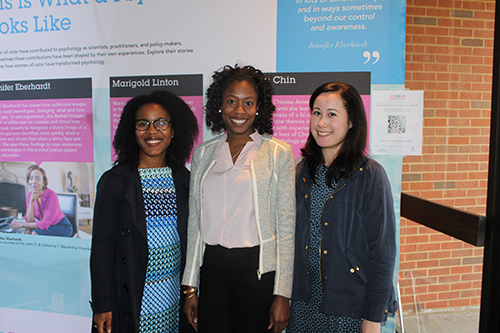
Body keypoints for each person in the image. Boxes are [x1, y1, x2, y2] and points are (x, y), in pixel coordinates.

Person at [182, 64, 295, 333]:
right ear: (219, 106)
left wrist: (282, 294)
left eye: (248, 103)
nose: (239, 110)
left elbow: (286, 228)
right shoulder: (203, 153)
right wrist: (190, 286)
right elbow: (195, 223)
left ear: (259, 108)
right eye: (231, 101)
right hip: (211, 270)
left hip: (256, 271)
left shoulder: (278, 153)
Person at [288, 82, 397, 333]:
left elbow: (383, 252)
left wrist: (373, 318)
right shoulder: (301, 171)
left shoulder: (370, 175)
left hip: (349, 305)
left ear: (351, 122)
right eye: (316, 113)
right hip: (303, 302)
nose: (321, 123)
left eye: (332, 115)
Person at [90, 90, 199, 333]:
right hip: (132, 298)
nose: (152, 131)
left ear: (174, 130)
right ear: (132, 130)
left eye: (161, 123)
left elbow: (192, 242)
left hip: (172, 297)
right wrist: (102, 305)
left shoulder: (184, 178)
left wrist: (192, 291)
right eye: (143, 123)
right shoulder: (115, 181)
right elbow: (102, 248)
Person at [10, 164, 73, 237]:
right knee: (27, 231)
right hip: (48, 227)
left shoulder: (52, 195)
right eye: (31, 178)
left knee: (34, 233)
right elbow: (30, 221)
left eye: (38, 179)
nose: (34, 182)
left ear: (43, 181)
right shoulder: (30, 195)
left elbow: (44, 224)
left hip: (62, 227)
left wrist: (21, 225)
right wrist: (31, 201)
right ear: (28, 180)